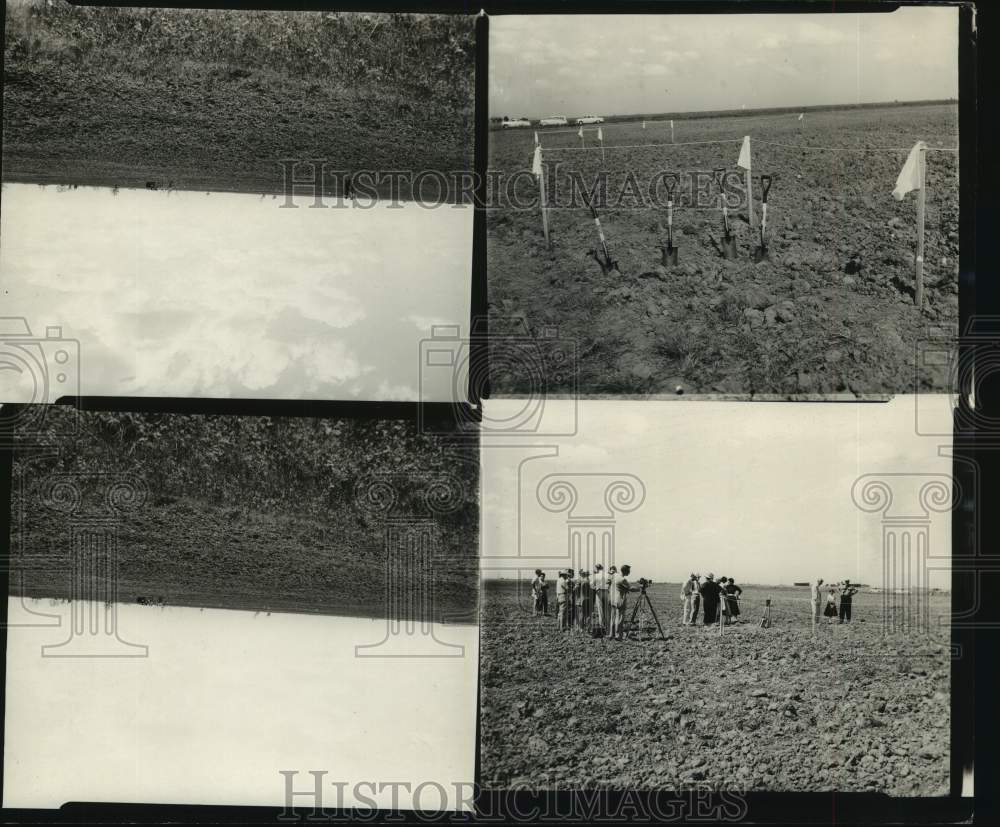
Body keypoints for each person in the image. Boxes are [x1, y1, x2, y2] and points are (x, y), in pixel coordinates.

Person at [610, 564, 637, 640]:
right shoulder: (622, 579)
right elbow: (631, 588)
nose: (629, 572)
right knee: (620, 618)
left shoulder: (615, 576)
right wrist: (640, 588)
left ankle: (611, 634)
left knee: (613, 618)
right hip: (620, 600)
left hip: (613, 599)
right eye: (629, 571)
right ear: (626, 571)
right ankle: (618, 636)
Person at [592, 564, 609, 635]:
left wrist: (596, 588)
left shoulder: (596, 575)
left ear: (597, 568)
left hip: (599, 592)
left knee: (600, 609)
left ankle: (602, 626)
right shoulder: (607, 574)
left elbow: (591, 584)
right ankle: (608, 626)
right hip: (607, 592)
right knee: (606, 609)